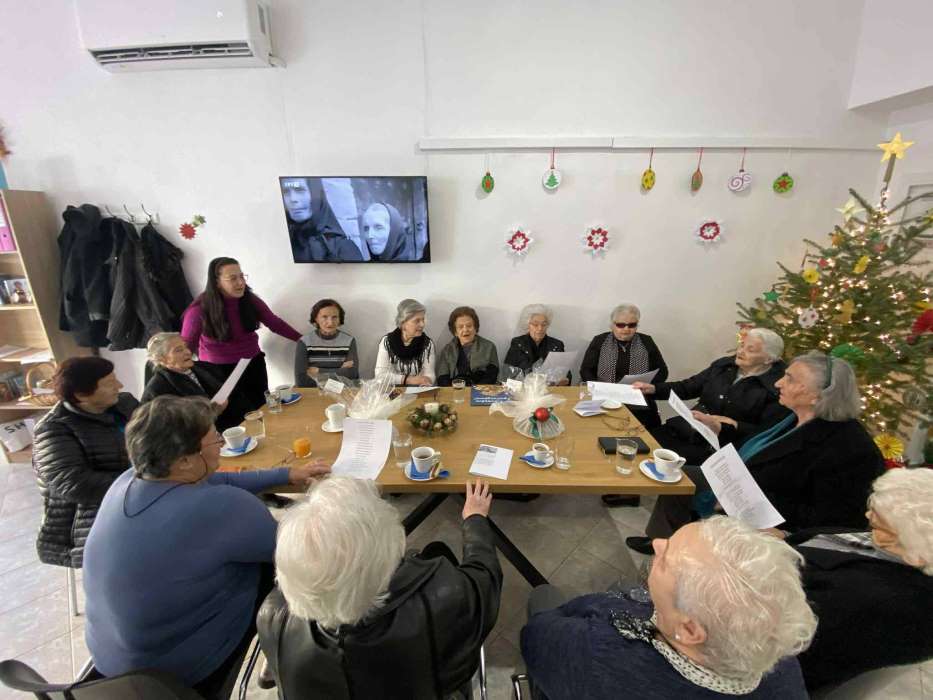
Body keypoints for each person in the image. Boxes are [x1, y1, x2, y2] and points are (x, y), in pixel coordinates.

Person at [82, 396, 330, 697]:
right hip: (176, 678)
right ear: (185, 460)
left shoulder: (126, 481)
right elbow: (296, 552)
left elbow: (215, 480)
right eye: (215, 440)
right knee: (290, 570)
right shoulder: (222, 507)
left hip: (109, 669)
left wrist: (286, 474)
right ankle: (286, 652)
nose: (221, 445)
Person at [257, 478, 502, 699]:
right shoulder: (444, 598)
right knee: (437, 552)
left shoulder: (271, 617)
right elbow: (485, 578)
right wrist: (475, 518)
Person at [521, 516, 815, 699]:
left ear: (688, 630)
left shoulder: (601, 654)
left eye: (665, 561)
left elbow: (535, 637)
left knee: (544, 596)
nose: (658, 544)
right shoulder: (784, 666)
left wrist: (598, 609)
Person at [631, 352, 885, 551]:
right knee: (680, 478)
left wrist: (787, 533)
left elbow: (840, 520)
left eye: (790, 379)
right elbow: (759, 443)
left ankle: (686, 555)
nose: (778, 383)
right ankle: (661, 542)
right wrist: (720, 427)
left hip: (770, 519)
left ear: (818, 396)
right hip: (739, 484)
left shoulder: (851, 450)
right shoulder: (789, 413)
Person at [788, 467, 933, 691]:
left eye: (878, 521)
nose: (867, 516)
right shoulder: (892, 544)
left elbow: (790, 639)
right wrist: (784, 537)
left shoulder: (884, 601)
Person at [33, 357, 138, 569]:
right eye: (109, 383)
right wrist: (143, 482)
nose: (119, 386)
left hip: (139, 494)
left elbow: (158, 430)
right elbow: (74, 484)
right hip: (92, 517)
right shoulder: (53, 429)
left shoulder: (124, 403)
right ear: (81, 395)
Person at [634, 328, 788, 464]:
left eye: (751, 350)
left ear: (769, 359)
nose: (740, 351)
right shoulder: (724, 366)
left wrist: (729, 425)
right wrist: (654, 389)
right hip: (687, 428)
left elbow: (766, 432)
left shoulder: (778, 387)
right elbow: (688, 387)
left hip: (717, 447)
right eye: (742, 345)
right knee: (639, 446)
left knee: (659, 465)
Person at [181, 257, 301, 423]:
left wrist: (303, 341)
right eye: (233, 278)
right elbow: (185, 347)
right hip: (218, 371)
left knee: (260, 408)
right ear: (217, 282)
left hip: (252, 363)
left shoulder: (250, 300)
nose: (240, 283)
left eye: (242, 276)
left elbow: (275, 323)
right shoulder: (199, 310)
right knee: (232, 417)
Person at [579, 303, 668, 429]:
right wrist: (601, 389)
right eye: (621, 325)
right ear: (612, 325)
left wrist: (646, 386)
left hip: (637, 398)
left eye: (632, 325)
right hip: (604, 397)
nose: (626, 329)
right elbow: (586, 370)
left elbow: (662, 372)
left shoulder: (646, 341)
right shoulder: (600, 341)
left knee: (647, 432)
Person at [140, 332, 240, 432]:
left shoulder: (205, 367)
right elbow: (170, 428)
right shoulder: (156, 391)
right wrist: (211, 413)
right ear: (162, 359)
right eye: (179, 350)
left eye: (186, 347)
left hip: (233, 425)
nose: (188, 352)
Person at [282, 177, 363, 262]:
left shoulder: (342, 248)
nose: (292, 199)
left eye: (300, 190)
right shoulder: (284, 245)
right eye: (286, 192)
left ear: (315, 194)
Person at [294, 298, 359, 388]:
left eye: (334, 317)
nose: (330, 322)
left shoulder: (349, 341)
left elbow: (352, 374)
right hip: (313, 393)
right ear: (316, 319)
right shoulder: (304, 342)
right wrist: (339, 371)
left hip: (343, 393)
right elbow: (301, 381)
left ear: (340, 319)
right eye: (324, 317)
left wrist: (319, 371)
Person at [503, 304, 570, 384]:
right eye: (535, 324)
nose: (540, 328)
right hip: (524, 388)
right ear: (527, 325)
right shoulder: (518, 343)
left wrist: (564, 379)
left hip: (550, 389)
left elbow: (566, 373)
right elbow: (507, 372)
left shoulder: (557, 345)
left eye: (544, 324)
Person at [375, 298, 436, 386]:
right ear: (403, 323)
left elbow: (430, 374)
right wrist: (408, 380)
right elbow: (380, 376)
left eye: (423, 319)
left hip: (419, 390)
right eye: (417, 321)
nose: (422, 324)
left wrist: (427, 382)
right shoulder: (387, 342)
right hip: (393, 391)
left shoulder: (427, 344)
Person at [436, 306, 499, 386]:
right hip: (455, 390)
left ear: (475, 328)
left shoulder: (489, 347)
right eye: (460, 327)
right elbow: (442, 378)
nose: (465, 330)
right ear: (455, 332)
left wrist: (476, 390)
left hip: (482, 390)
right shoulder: (447, 351)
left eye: (469, 326)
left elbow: (492, 375)